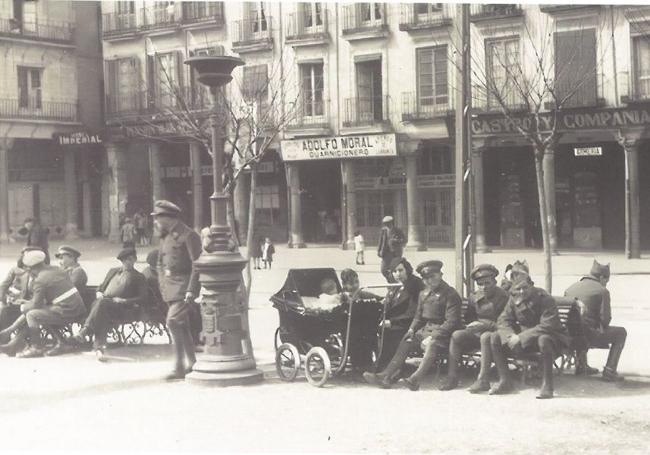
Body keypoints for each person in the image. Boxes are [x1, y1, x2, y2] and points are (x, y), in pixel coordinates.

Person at [365, 260, 462, 390]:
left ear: (441, 274)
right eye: (426, 279)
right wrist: (411, 329)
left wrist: (434, 335)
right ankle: (386, 376)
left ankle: (414, 379)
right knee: (407, 338)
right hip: (426, 330)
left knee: (432, 343)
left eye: (432, 277)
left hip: (445, 334)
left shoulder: (450, 294)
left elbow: (452, 322)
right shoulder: (424, 294)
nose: (429, 281)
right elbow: (418, 317)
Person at [489, 274, 570, 399]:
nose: (521, 291)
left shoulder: (545, 298)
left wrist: (520, 338)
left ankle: (547, 385)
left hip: (551, 338)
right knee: (495, 337)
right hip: (527, 340)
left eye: (525, 288)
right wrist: (510, 336)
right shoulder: (514, 298)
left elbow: (547, 325)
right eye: (518, 289)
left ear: (531, 285)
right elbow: (503, 320)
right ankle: (505, 381)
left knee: (544, 340)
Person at [0, 250, 86, 358]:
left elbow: (35, 305)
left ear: (30, 268)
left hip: (66, 311)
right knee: (35, 311)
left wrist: (23, 306)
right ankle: (11, 337)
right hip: (76, 307)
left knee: (32, 314)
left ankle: (36, 348)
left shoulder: (40, 280)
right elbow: (47, 299)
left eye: (27, 268)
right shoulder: (57, 270)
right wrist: (29, 303)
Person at [152, 200, 202, 380]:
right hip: (170, 287)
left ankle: (179, 367)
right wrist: (162, 283)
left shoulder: (189, 235)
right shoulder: (165, 236)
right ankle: (192, 364)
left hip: (183, 287)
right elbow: (159, 263)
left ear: (168, 217)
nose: (156, 221)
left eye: (158, 217)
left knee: (172, 321)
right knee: (182, 325)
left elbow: (197, 264)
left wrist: (191, 289)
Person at [440, 264, 509, 392]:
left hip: (497, 335)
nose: (484, 287)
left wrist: (485, 325)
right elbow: (469, 318)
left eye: (487, 283)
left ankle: (483, 379)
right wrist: (471, 326)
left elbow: (506, 324)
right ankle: (452, 377)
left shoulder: (504, 297)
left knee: (485, 336)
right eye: (480, 284)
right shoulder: (475, 296)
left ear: (494, 281)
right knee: (456, 335)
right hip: (478, 333)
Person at [72, 248, 148, 359]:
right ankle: (99, 348)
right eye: (123, 260)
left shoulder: (139, 277)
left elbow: (143, 298)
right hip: (104, 303)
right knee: (102, 307)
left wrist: (125, 301)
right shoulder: (113, 271)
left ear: (134, 260)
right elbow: (101, 287)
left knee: (101, 308)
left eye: (129, 259)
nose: (126, 262)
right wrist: (99, 292)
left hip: (122, 308)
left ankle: (85, 331)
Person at [564, 260, 626, 382]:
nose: (606, 284)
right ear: (602, 277)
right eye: (606, 281)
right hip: (589, 336)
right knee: (621, 332)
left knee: (579, 325)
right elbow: (605, 319)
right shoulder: (602, 291)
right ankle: (610, 371)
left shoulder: (571, 288)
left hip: (569, 335)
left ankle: (581, 365)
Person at [364, 257, 423, 375]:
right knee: (367, 328)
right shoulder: (396, 285)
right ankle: (369, 365)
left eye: (400, 270)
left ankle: (384, 371)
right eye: (394, 271)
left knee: (390, 332)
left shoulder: (414, 285)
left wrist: (392, 322)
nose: (398, 274)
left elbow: (413, 312)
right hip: (395, 323)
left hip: (408, 324)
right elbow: (388, 304)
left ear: (407, 270)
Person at [340, 269, 381, 373]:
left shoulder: (360, 293)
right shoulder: (343, 296)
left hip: (361, 326)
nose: (355, 286)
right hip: (349, 327)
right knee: (358, 338)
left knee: (370, 334)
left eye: (356, 282)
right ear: (344, 284)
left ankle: (369, 363)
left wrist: (380, 299)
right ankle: (360, 365)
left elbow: (373, 296)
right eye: (351, 284)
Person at [0, 247, 39, 343]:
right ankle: (4, 339)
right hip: (15, 302)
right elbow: (3, 287)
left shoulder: (38, 271)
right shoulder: (15, 270)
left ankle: (10, 340)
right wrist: (5, 299)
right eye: (25, 255)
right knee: (4, 309)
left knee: (5, 310)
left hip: (30, 304)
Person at [377, 216, 405, 283]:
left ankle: (394, 285)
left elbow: (404, 240)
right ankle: (391, 282)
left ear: (391, 223)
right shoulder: (383, 230)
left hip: (395, 253)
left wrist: (396, 240)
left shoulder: (398, 230)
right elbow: (380, 241)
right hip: (386, 253)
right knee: (383, 270)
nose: (386, 225)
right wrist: (379, 250)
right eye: (385, 223)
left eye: (387, 223)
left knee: (394, 269)